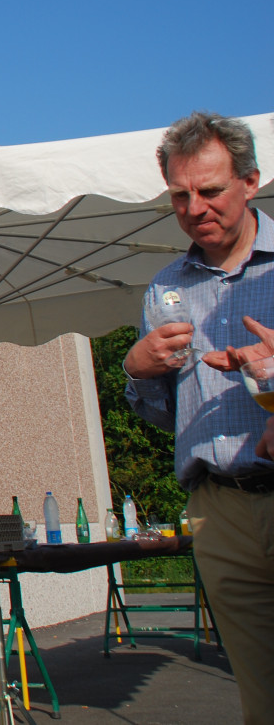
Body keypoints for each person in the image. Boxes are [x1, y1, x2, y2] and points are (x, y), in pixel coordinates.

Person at [123, 111, 274, 725]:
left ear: (251, 181)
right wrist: (138, 371)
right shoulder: (163, 289)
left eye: (210, 190)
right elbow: (162, 417)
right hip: (220, 509)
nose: (195, 207)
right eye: (180, 195)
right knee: (261, 695)